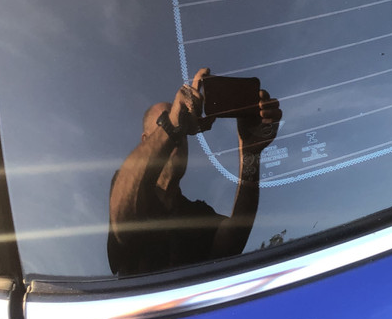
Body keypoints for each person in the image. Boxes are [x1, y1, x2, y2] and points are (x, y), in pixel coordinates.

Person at [108, 68, 282, 275]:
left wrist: (250, 154)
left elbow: (234, 239)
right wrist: (173, 124)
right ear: (146, 139)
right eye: (163, 121)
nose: (179, 135)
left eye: (183, 129)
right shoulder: (128, 187)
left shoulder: (197, 213)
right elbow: (123, 212)